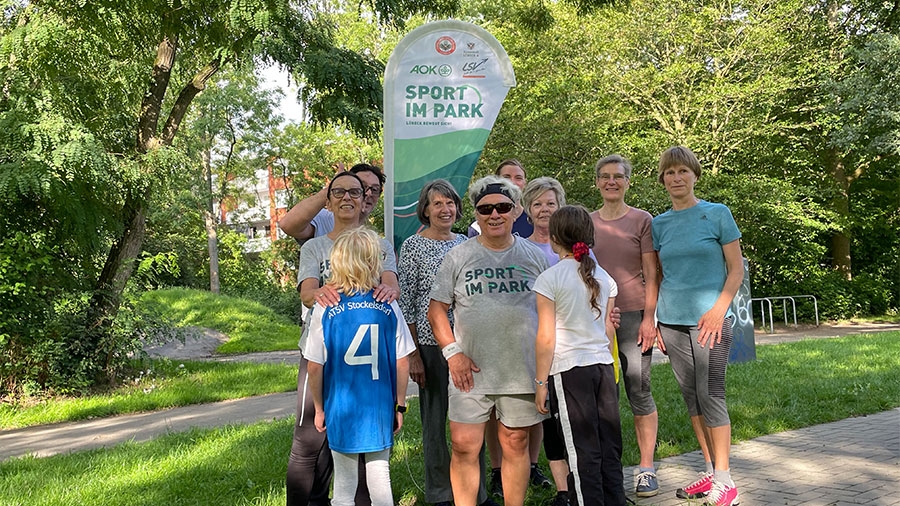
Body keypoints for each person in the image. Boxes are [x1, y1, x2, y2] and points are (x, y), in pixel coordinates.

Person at [428, 176, 548, 506]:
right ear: (476, 214)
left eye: (502, 207)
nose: (494, 214)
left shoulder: (535, 256)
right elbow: (436, 310)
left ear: (515, 212)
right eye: (485, 209)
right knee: (465, 446)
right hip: (470, 371)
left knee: (515, 442)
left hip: (519, 369)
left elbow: (555, 309)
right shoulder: (458, 256)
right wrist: (453, 354)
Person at [285, 171, 400, 506]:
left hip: (368, 358)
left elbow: (391, 286)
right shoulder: (315, 245)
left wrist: (384, 289)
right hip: (321, 351)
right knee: (310, 437)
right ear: (329, 199)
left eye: (356, 192)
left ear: (366, 198)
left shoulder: (379, 245)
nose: (348, 198)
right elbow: (308, 293)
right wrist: (328, 292)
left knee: (365, 443)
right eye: (339, 192)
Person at [652, 146, 744, 506]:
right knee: (691, 397)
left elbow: (735, 269)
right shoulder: (658, 224)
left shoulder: (717, 214)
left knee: (712, 394)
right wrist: (656, 320)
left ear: (695, 175)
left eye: (683, 172)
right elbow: (658, 275)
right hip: (672, 321)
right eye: (670, 173)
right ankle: (710, 471)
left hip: (711, 321)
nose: (676, 178)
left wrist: (719, 310)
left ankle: (726, 480)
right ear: (662, 180)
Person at [305, 227, 416, 506]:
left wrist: (319, 408)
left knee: (343, 486)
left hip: (340, 407)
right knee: (380, 477)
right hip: (379, 406)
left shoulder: (325, 307)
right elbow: (403, 361)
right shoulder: (389, 304)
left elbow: (314, 366)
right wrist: (400, 404)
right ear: (373, 263)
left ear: (338, 263)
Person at [398, 180, 493, 506]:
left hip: (468, 345)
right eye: (437, 204)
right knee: (436, 423)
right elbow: (406, 303)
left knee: (472, 421)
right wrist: (412, 356)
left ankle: (476, 494)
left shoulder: (469, 243)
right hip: (430, 345)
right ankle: (440, 494)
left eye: (450, 203)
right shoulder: (413, 246)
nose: (445, 209)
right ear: (425, 209)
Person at [533, 205, 626, 506]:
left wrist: (540, 382)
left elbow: (546, 337)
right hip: (602, 368)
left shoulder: (550, 278)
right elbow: (608, 331)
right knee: (608, 445)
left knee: (581, 451)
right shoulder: (605, 276)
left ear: (554, 237)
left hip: (569, 371)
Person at [590, 154, 661, 498]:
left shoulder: (641, 220)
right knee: (602, 395)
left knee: (638, 389)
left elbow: (652, 273)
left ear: (627, 181)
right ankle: (606, 469)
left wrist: (650, 318)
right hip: (596, 318)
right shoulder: (587, 222)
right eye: (605, 177)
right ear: (598, 182)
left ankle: (646, 469)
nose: (611, 182)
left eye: (618, 176)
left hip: (633, 315)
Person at [520, 177, 574, 506]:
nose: (544, 210)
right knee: (544, 416)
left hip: (572, 347)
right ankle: (555, 484)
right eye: (537, 204)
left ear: (560, 207)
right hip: (533, 343)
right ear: (527, 209)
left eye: (550, 203)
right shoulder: (518, 246)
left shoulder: (579, 251)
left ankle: (579, 482)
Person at [278, 163, 386, 242]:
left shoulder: (375, 241)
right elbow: (287, 225)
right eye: (361, 187)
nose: (368, 193)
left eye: (375, 189)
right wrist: (333, 187)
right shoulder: (324, 218)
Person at [468, 159, 534, 238]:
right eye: (506, 177)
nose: (512, 182)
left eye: (518, 178)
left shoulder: (534, 221)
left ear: (525, 183)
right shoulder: (479, 226)